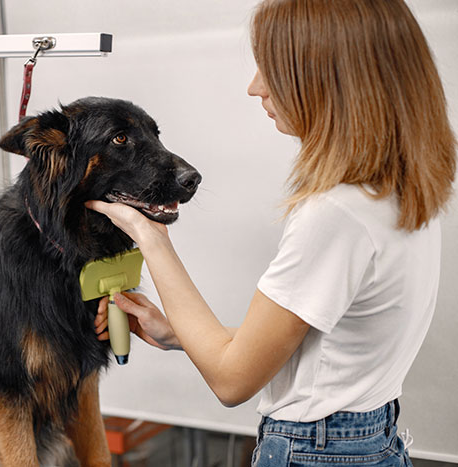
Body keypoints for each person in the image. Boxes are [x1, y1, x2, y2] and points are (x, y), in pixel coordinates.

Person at [86, 0, 457, 465]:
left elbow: (231, 381)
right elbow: (331, 341)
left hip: (317, 452)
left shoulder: (335, 214)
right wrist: (180, 332)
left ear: (325, 77)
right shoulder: (399, 189)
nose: (254, 87)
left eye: (272, 69)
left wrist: (151, 235)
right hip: (372, 440)